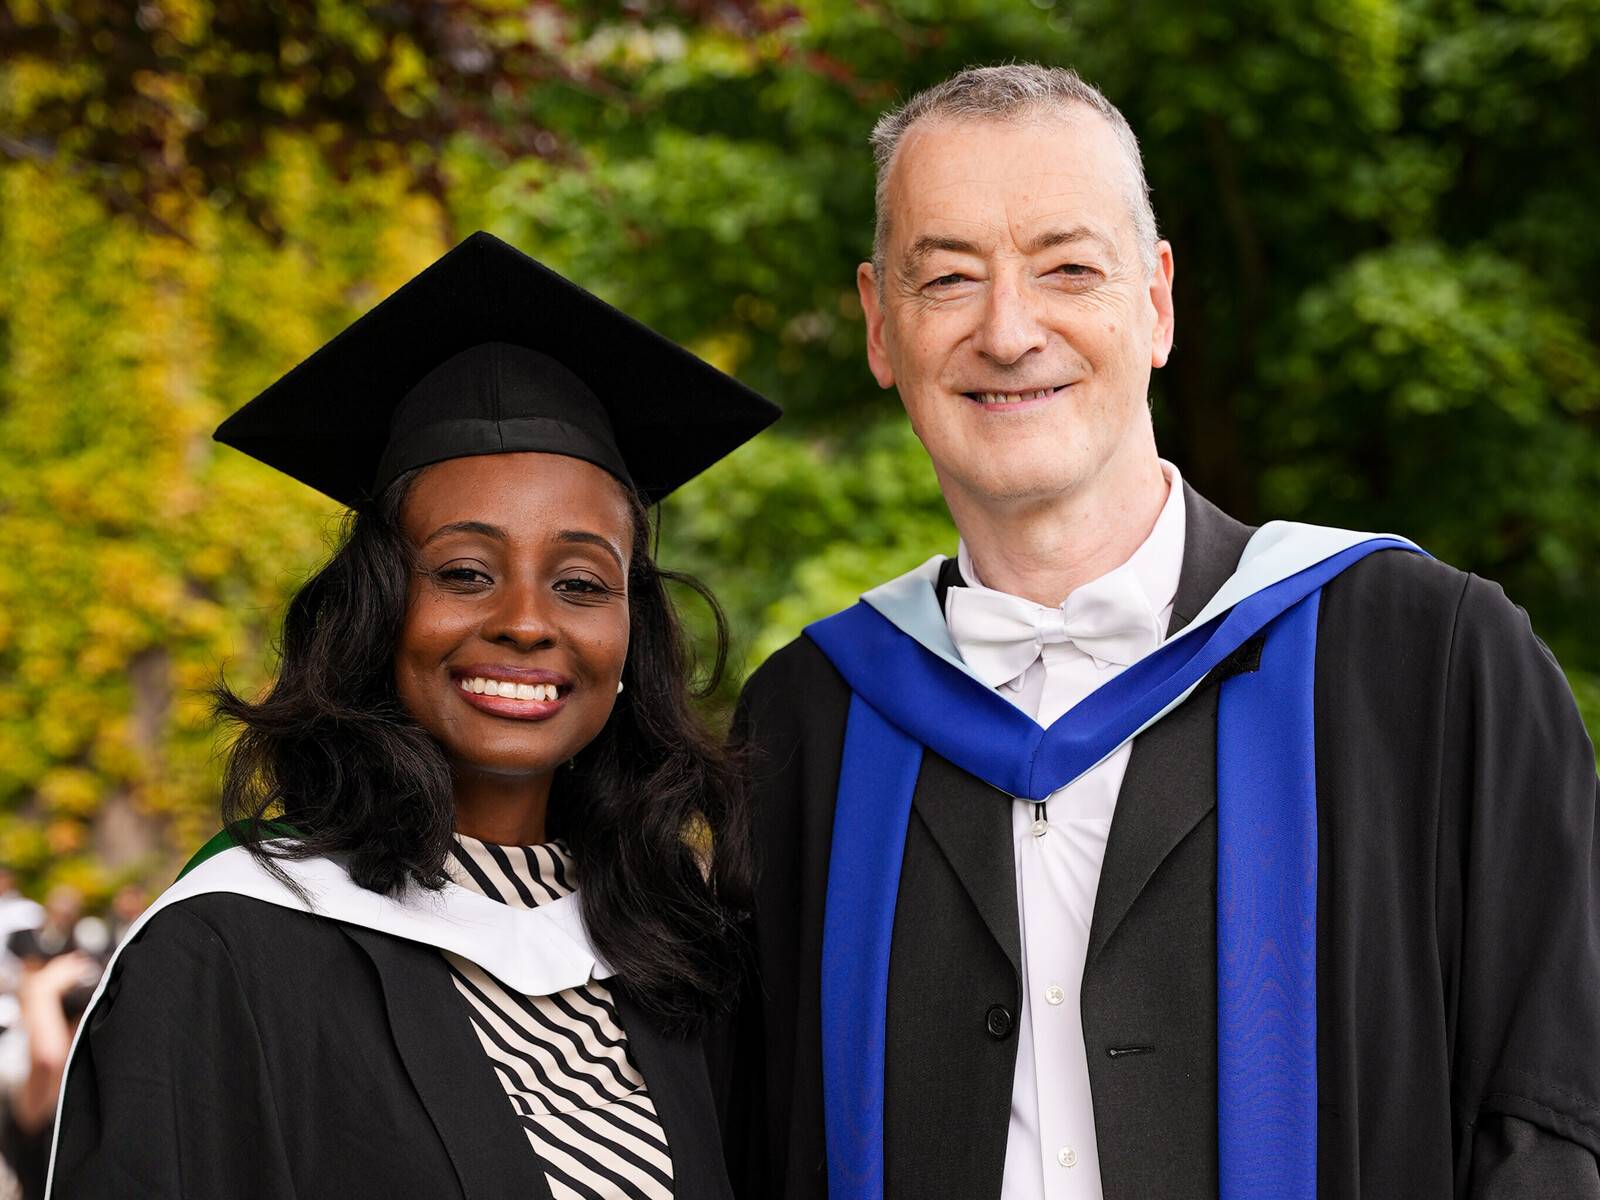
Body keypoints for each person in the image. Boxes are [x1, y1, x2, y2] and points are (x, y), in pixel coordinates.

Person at [731, 64, 1600, 1199]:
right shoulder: (809, 724)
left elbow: (1548, 1123)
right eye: (946, 278)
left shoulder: (1428, 663)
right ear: (879, 326)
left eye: (1067, 269)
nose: (1007, 331)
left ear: (1156, 301)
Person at [49, 231, 779, 1199]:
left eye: (579, 582)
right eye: (465, 573)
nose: (525, 622)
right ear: (378, 606)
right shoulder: (226, 955)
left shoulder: (676, 958)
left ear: (630, 634)